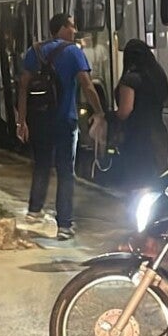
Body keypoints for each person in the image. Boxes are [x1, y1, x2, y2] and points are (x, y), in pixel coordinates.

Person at [16, 13, 106, 241]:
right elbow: (87, 85)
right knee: (66, 172)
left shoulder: (34, 51)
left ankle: (34, 211)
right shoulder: (73, 52)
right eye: (72, 26)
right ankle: (64, 225)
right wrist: (99, 112)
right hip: (65, 120)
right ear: (63, 28)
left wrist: (22, 120)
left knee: (42, 166)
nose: (75, 30)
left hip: (39, 120)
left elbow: (23, 87)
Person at [112, 39, 168, 188]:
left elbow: (126, 110)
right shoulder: (158, 75)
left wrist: (108, 117)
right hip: (159, 134)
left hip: (137, 139)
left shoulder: (131, 80)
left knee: (137, 185)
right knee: (156, 183)